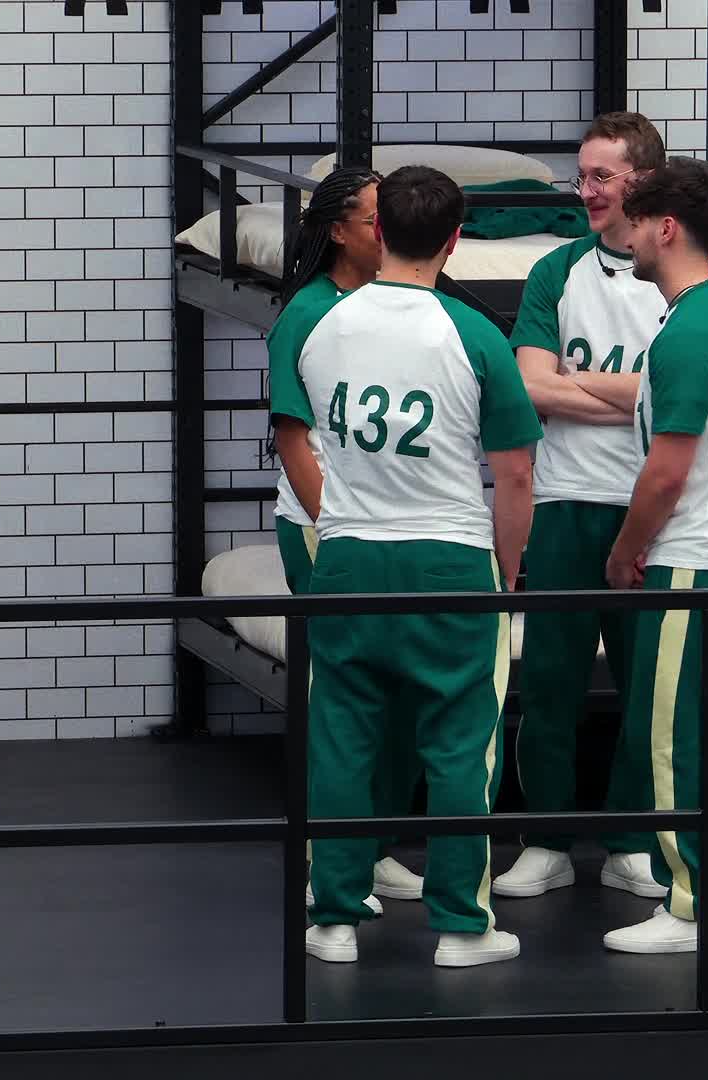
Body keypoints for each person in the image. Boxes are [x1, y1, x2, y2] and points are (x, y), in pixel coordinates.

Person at [271, 164, 544, 967]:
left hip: (347, 555)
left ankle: (333, 920)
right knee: (459, 745)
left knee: (341, 741)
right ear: (455, 239)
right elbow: (516, 475)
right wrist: (507, 569)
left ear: (380, 229)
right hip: (448, 557)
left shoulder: (318, 324)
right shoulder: (474, 332)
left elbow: (299, 437)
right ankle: (461, 925)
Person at [581, 159, 708, 954]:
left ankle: (691, 908)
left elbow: (666, 474)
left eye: (635, 221)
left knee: (672, 740)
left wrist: (625, 552)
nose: (625, 234)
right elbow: (659, 397)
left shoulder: (692, 330)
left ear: (665, 229)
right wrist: (581, 379)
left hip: (696, 566)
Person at [493, 112, 671, 901]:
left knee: (645, 687)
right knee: (551, 684)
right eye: (582, 175)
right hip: (565, 502)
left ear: (643, 180)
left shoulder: (679, 274)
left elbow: (684, 394)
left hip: (651, 506)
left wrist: (579, 386)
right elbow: (529, 386)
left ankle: (634, 841)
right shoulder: (555, 272)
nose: (585, 190)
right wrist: (635, 396)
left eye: (602, 176)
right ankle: (547, 840)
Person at [266, 167, 423, 913]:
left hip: (391, 531)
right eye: (373, 219)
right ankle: (325, 861)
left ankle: (375, 847)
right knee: (340, 700)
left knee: (399, 698)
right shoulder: (306, 315)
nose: (387, 230)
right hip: (326, 530)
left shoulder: (398, 303)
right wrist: (338, 530)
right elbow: (292, 441)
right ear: (337, 232)